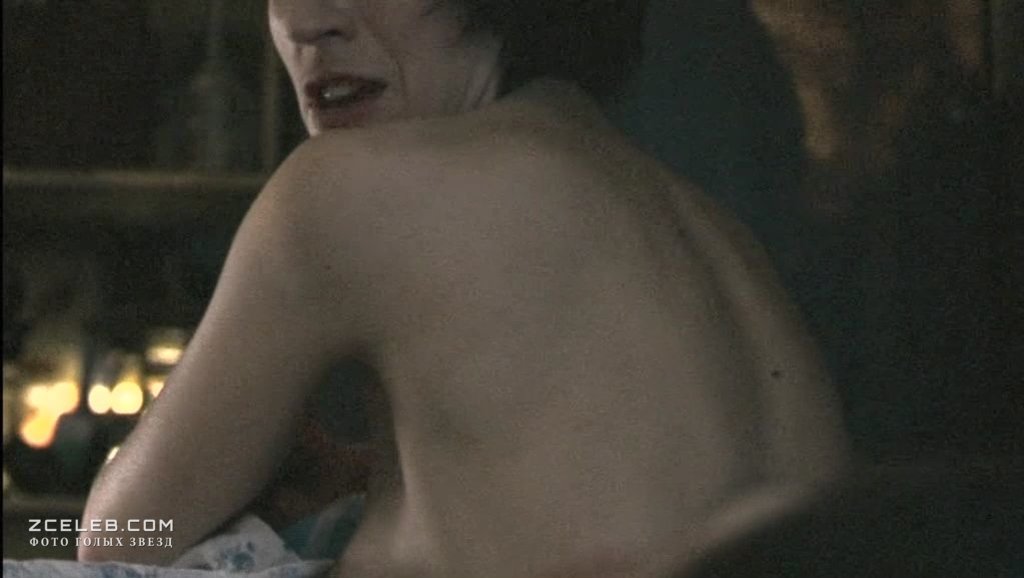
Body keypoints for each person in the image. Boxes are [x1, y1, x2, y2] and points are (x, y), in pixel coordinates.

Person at [77, 1, 849, 577]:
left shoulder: (344, 194)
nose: (305, 21)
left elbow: (118, 540)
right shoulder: (712, 235)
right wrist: (364, 490)